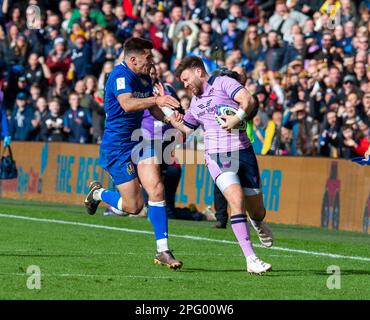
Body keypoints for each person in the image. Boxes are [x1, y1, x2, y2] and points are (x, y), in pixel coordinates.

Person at [84, 37, 183, 269]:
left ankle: (163, 251)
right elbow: (128, 104)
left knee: (157, 189)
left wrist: (170, 118)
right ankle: (98, 194)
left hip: (139, 141)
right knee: (133, 207)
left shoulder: (145, 76)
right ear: (133, 59)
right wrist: (158, 98)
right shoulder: (120, 76)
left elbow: (151, 107)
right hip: (116, 147)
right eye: (148, 58)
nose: (152, 62)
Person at [171, 56, 273, 274]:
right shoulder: (195, 104)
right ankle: (251, 259)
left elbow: (249, 100)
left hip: (244, 151)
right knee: (236, 201)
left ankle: (257, 221)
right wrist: (165, 111)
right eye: (182, 82)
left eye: (186, 79)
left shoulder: (223, 83)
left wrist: (237, 118)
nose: (185, 85)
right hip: (217, 156)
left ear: (198, 71)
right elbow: (185, 129)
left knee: (258, 211)